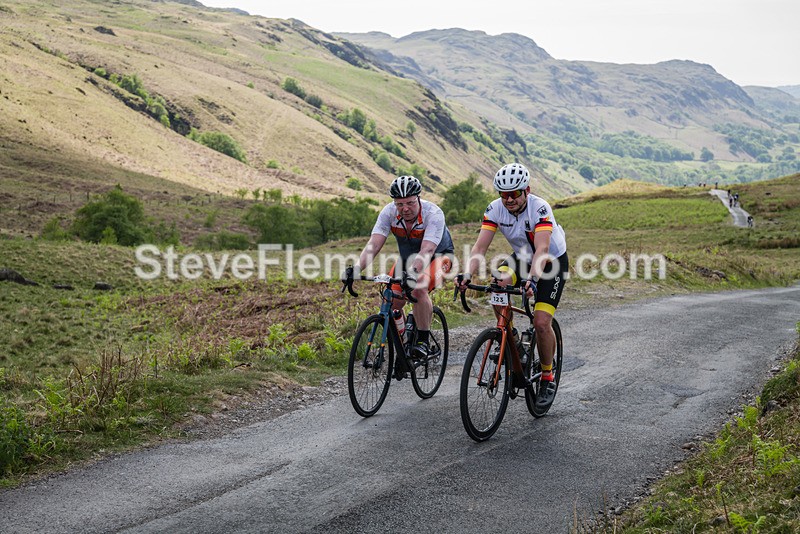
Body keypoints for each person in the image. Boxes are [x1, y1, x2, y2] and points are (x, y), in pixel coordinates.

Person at [456, 163, 568, 410]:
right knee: (498, 283)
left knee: (540, 323)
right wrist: (466, 273)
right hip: (522, 257)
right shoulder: (495, 209)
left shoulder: (539, 208)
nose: (508, 200)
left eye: (514, 194)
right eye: (503, 194)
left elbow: (542, 249)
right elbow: (480, 248)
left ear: (526, 190)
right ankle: (511, 338)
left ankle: (547, 376)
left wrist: (533, 281)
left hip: (551, 262)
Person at [344, 175, 454, 358]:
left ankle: (423, 342)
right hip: (408, 258)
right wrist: (356, 269)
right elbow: (374, 245)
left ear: (418, 197)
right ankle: (403, 342)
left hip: (439, 256)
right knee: (391, 300)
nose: (405, 209)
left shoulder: (433, 213)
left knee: (418, 287)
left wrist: (412, 274)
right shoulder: (388, 213)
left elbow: (427, 249)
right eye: (400, 204)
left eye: (410, 203)